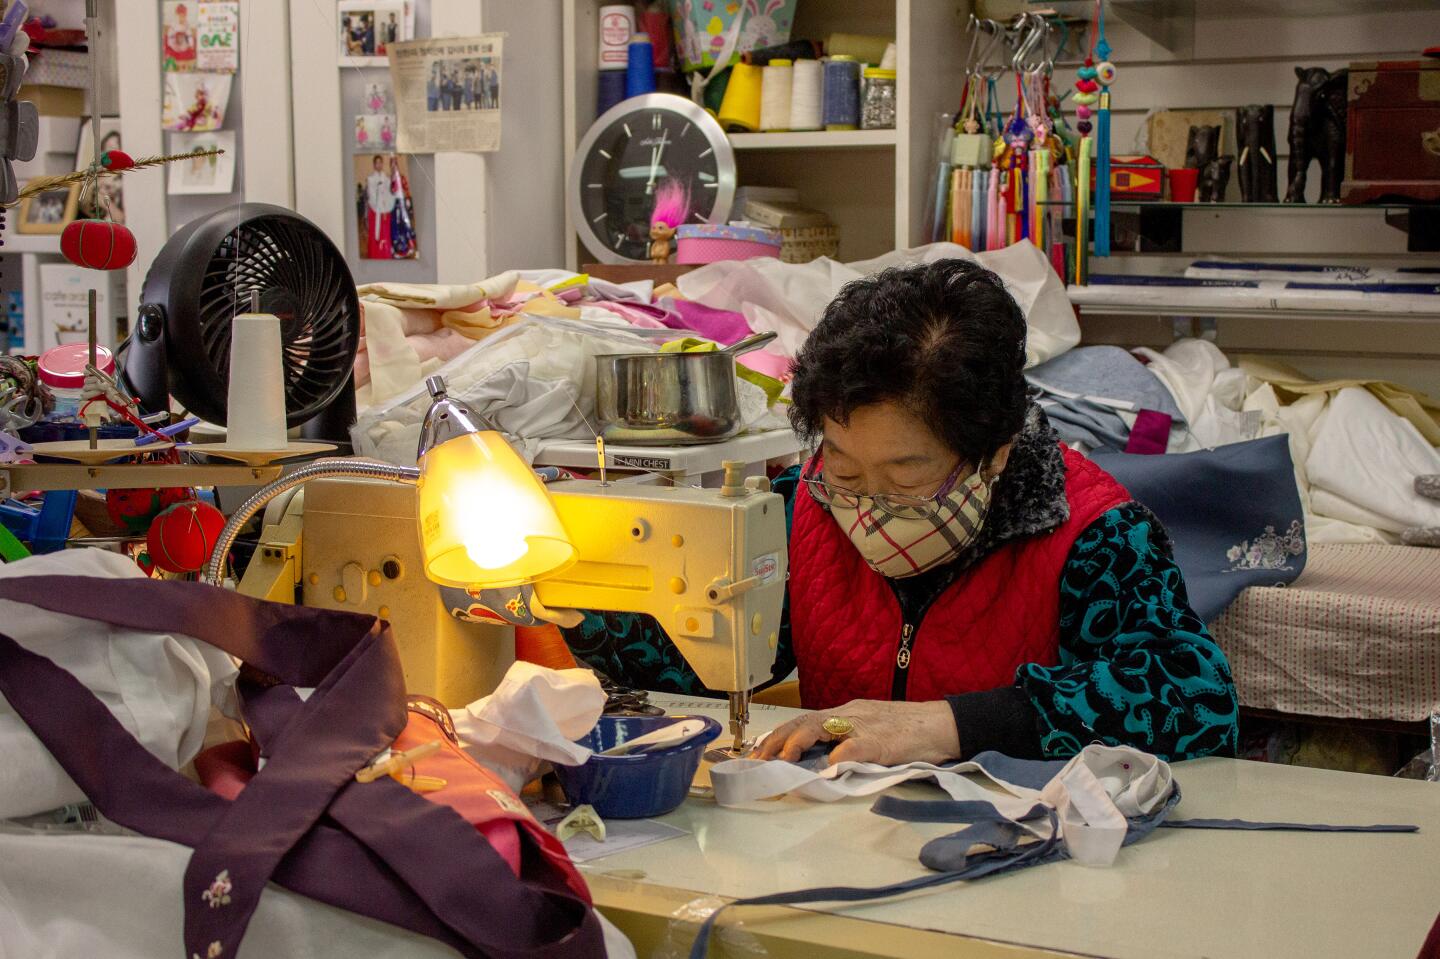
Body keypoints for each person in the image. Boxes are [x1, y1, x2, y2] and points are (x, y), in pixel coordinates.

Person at [563, 259, 1238, 766]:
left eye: (906, 475)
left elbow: (1194, 700)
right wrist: (584, 603)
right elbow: (721, 663)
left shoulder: (1095, 533)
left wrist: (943, 725)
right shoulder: (806, 505)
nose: (867, 508)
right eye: (846, 468)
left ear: (995, 453)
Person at [363, 155, 396, 258]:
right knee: (375, 233)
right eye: (377, 162)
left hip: (385, 211)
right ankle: (375, 253)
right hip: (375, 211)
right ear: (374, 164)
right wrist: (378, 204)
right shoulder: (370, 179)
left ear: (382, 164)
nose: (379, 165)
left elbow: (389, 191)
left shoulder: (386, 178)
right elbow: (371, 195)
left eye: (380, 162)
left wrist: (393, 170)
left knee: (385, 232)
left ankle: (385, 253)